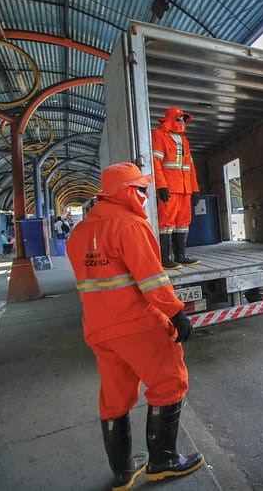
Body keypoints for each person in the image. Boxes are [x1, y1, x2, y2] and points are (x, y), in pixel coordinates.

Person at [66, 162, 203, 490]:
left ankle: (123, 473)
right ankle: (162, 462)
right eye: (141, 190)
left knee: (114, 398)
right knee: (170, 382)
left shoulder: (79, 234)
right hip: (136, 325)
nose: (145, 196)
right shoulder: (129, 226)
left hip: (100, 330)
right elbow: (152, 279)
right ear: (126, 192)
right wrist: (175, 313)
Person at [151, 106, 201, 269]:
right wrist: (161, 186)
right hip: (170, 188)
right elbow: (155, 163)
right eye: (180, 118)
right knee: (166, 223)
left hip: (185, 188)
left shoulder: (184, 141)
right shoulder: (159, 136)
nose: (182, 122)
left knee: (183, 222)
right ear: (171, 119)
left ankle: (181, 255)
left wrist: (195, 190)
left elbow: (190, 167)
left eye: (184, 119)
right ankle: (165, 259)